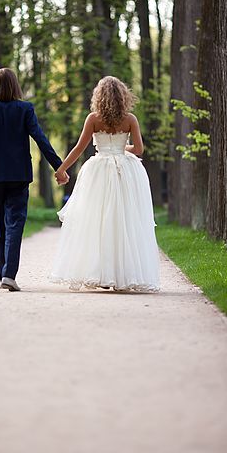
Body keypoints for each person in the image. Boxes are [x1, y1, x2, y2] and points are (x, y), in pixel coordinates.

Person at [50, 76, 160, 292]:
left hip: (98, 170)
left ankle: (99, 273)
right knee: (124, 222)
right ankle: (123, 275)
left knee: (96, 221)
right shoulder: (130, 119)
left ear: (99, 97)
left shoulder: (93, 119)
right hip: (125, 172)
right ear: (122, 97)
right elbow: (138, 150)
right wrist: (121, 149)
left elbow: (79, 148)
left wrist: (62, 168)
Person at [0, 67, 69, 292]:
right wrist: (59, 167)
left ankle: (3, 275)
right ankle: (9, 274)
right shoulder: (25, 109)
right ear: (16, 86)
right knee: (15, 223)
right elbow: (40, 139)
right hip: (18, 175)